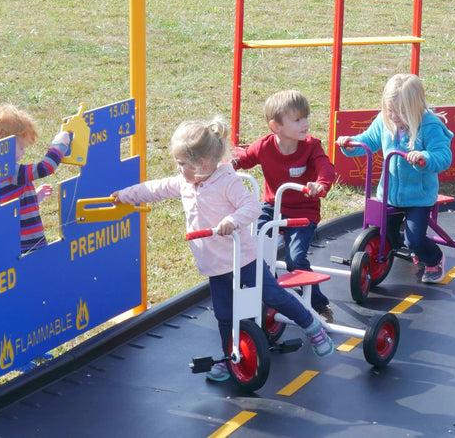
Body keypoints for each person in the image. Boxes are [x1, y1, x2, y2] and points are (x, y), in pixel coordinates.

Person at [111, 116, 333, 383]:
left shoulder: (227, 181)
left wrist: (231, 220)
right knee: (225, 315)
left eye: (182, 164)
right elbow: (155, 189)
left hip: (243, 259)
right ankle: (232, 358)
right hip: (216, 265)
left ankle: (311, 325)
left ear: (202, 163)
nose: (178, 169)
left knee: (273, 295)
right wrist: (125, 195)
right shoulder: (186, 182)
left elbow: (250, 207)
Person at [336, 74, 454, 284]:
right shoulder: (385, 120)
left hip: (418, 196)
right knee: (385, 236)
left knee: (414, 239)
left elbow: (443, 156)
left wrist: (424, 157)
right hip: (389, 193)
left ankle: (434, 258)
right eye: (390, 109)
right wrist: (351, 143)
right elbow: (369, 139)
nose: (393, 115)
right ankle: (405, 248)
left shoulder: (429, 126)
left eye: (399, 111)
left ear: (415, 107)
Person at [232, 90, 338, 322]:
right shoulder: (264, 146)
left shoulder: (311, 146)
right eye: (298, 119)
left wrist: (320, 184)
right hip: (273, 206)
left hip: (303, 212)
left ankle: (320, 305)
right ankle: (261, 292)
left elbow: (326, 167)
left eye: (306, 117)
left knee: (295, 259)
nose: (306, 124)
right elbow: (245, 159)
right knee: (251, 248)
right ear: (275, 126)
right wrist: (231, 162)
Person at [0, 103, 72, 256]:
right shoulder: (10, 171)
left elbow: (9, 204)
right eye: (21, 147)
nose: (24, 151)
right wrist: (60, 144)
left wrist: (33, 197)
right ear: (5, 145)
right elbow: (46, 168)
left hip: (12, 240)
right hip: (27, 242)